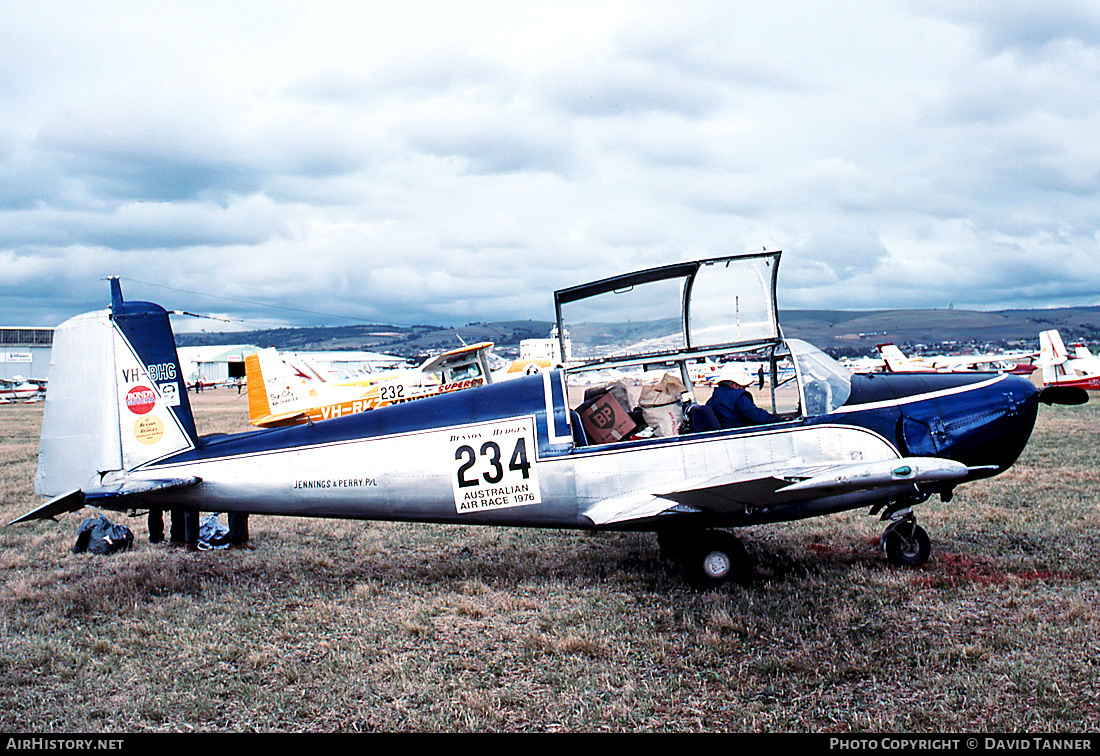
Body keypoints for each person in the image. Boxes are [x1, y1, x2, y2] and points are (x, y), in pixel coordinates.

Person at [706, 364, 783, 428]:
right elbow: (758, 417)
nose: (744, 390)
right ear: (735, 385)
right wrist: (779, 420)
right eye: (744, 387)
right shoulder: (738, 397)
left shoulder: (712, 401)